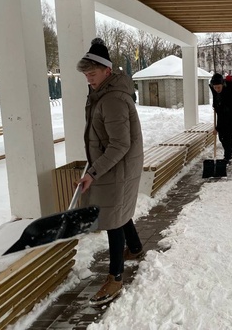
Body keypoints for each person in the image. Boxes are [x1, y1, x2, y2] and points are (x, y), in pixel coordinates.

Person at [76, 38, 145, 306]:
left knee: (113, 218)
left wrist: (93, 172)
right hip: (117, 164)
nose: (88, 80)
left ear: (107, 70)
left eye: (92, 74)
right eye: (86, 75)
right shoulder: (103, 94)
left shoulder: (112, 99)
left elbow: (120, 144)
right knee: (118, 209)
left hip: (119, 165)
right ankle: (136, 248)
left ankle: (115, 277)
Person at [209, 72, 232, 162]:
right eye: (215, 87)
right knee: (222, 137)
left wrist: (217, 128)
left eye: (219, 87)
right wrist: (215, 104)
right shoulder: (216, 90)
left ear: (223, 85)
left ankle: (228, 157)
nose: (217, 89)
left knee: (226, 137)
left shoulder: (228, 94)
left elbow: (224, 116)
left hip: (231, 117)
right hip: (224, 115)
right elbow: (216, 97)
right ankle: (228, 156)